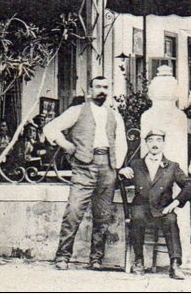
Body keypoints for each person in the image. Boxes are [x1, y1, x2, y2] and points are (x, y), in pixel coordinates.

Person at [43, 76, 128, 270]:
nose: (102, 91)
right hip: (83, 168)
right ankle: (62, 256)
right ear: (90, 90)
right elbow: (50, 128)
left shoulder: (115, 115)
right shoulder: (77, 110)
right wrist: (66, 144)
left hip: (107, 167)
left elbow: (121, 142)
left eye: (106, 87)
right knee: (73, 212)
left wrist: (117, 166)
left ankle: (96, 259)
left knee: (103, 216)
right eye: (98, 87)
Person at [119, 128, 191, 279]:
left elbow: (190, 185)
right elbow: (120, 183)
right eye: (151, 140)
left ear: (163, 143)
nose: (155, 144)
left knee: (172, 220)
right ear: (146, 143)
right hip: (141, 206)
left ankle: (174, 265)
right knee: (137, 218)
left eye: (159, 140)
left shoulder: (172, 166)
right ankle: (139, 260)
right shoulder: (136, 164)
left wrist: (175, 203)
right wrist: (122, 173)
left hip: (163, 209)